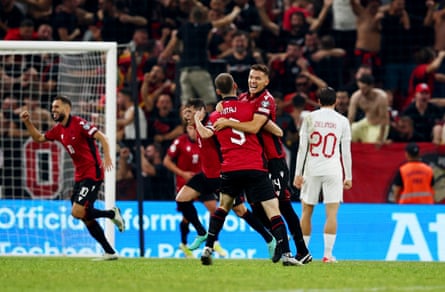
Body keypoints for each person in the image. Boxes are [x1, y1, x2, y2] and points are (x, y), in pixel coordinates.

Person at [197, 73, 300, 266]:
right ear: (236, 86)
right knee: (273, 210)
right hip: (254, 167)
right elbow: (277, 131)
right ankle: (286, 254)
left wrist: (197, 119)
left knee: (222, 208)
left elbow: (204, 134)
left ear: (218, 91)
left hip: (229, 168)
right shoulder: (250, 108)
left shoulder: (215, 114)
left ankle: (207, 249)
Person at [20, 95, 125, 260]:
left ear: (67, 109)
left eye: (57, 107)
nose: (53, 110)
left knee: (77, 212)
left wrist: (107, 157)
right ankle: (110, 252)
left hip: (93, 173)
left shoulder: (79, 123)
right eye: (52, 107)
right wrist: (27, 122)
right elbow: (39, 138)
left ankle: (112, 214)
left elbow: (102, 137)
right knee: (85, 217)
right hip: (80, 175)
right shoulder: (58, 130)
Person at [179, 99, 276, 259]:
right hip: (206, 175)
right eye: (185, 112)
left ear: (200, 111)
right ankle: (201, 232)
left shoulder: (211, 121)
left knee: (240, 211)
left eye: (189, 111)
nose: (186, 115)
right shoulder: (197, 125)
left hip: (221, 176)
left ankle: (269, 239)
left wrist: (197, 120)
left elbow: (206, 134)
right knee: (181, 199)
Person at [293, 87, 352, 263]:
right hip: (333, 168)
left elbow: (302, 147)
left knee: (306, 211)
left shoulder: (309, 118)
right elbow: (346, 151)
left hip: (312, 168)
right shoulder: (342, 121)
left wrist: (298, 173)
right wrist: (348, 175)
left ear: (318, 101)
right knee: (332, 213)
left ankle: (303, 253)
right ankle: (327, 255)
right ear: (335, 102)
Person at [348, 73, 389, 145]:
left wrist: (381, 138)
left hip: (379, 125)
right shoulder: (356, 96)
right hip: (367, 121)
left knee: (372, 144)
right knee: (350, 134)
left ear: (371, 86)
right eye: (360, 88)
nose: (362, 91)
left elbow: (384, 118)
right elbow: (351, 117)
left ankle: (385, 141)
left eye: (364, 88)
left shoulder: (381, 97)